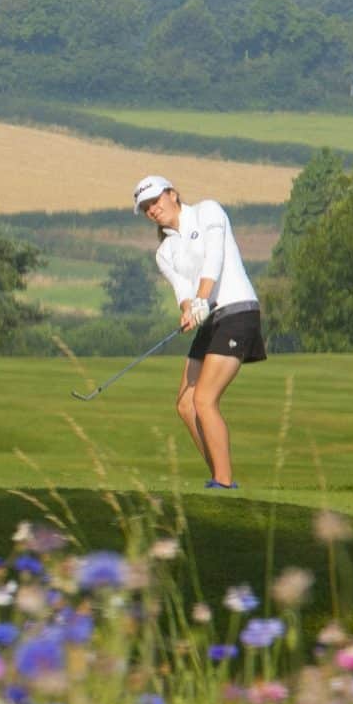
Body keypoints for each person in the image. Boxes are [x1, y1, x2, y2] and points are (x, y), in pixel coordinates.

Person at [133, 173, 264, 490]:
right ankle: (219, 475)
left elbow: (214, 259)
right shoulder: (164, 252)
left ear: (173, 194)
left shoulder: (208, 211)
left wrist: (202, 299)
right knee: (185, 403)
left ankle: (223, 482)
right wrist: (188, 310)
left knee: (205, 399)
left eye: (155, 200)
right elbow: (182, 289)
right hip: (210, 318)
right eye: (145, 207)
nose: (152, 208)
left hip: (237, 311)